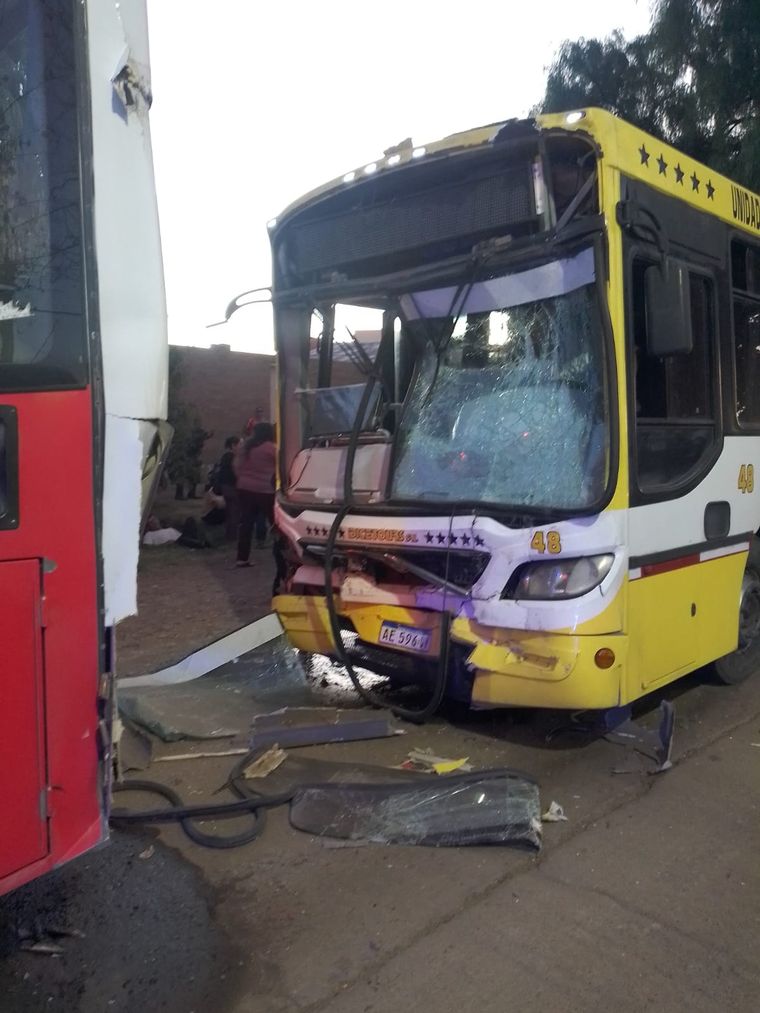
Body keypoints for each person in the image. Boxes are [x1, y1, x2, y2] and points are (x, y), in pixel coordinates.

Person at [234, 422, 276, 566]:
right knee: (275, 522)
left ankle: (242, 558)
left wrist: (242, 478)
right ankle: (282, 552)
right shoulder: (271, 448)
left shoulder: (245, 447)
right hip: (265, 490)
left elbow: (236, 466)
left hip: (244, 488)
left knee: (246, 523)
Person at [216, 435, 241, 540]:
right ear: (233, 445)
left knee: (230, 511)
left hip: (225, 486)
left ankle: (229, 534)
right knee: (233, 511)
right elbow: (234, 473)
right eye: (240, 444)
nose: (241, 446)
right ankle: (232, 536)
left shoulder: (226, 456)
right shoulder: (231, 457)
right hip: (230, 487)